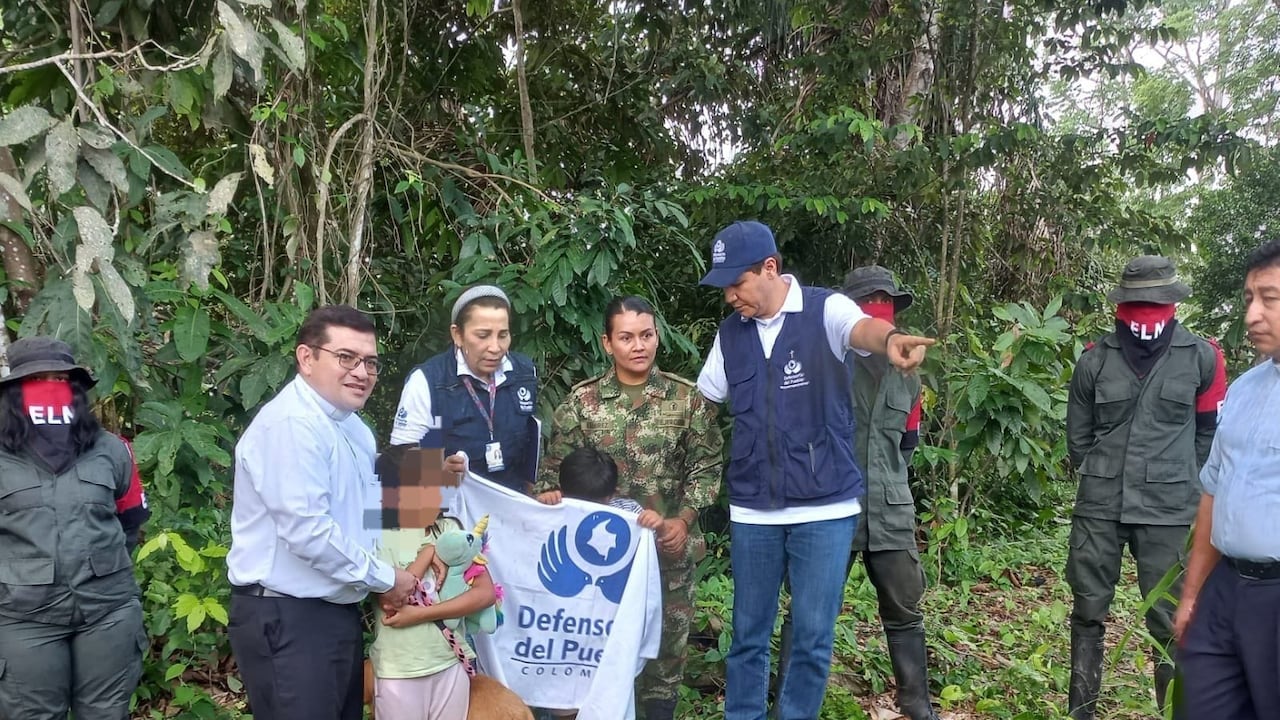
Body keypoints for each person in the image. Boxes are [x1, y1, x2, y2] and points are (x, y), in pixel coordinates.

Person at [695, 221, 934, 720]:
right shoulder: (730, 335)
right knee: (748, 634)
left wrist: (891, 339)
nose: (731, 297)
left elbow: (862, 329)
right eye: (724, 288)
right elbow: (702, 404)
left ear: (770, 268)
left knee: (811, 636)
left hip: (825, 507)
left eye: (737, 283)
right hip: (753, 508)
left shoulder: (825, 309)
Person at [534, 296, 724, 720]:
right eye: (626, 337)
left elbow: (707, 468)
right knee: (594, 658)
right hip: (596, 569)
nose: (638, 346)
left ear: (657, 337)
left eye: (646, 335)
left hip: (667, 557)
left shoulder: (686, 400)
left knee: (663, 663)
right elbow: (552, 473)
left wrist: (682, 521)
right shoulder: (582, 403)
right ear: (607, 343)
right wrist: (549, 497)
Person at [227, 305, 418, 720]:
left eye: (370, 362)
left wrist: (441, 482)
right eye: (346, 357)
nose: (361, 372)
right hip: (288, 615)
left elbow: (364, 512)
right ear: (307, 357)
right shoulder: (291, 424)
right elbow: (309, 532)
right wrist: (385, 578)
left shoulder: (354, 429)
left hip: (335, 613)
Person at [1064, 255, 1226, 719]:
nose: (1147, 312)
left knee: (1172, 621)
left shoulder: (1202, 358)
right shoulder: (1095, 360)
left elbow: (1210, 436)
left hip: (1169, 511)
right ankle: (1081, 712)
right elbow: (1079, 440)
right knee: (1088, 611)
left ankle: (1175, 712)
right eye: (1138, 303)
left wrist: (1183, 482)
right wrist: (1106, 473)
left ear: (1172, 303)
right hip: (1100, 508)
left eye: (1156, 302)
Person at [775, 266, 937, 720]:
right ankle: (786, 708)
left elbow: (907, 445)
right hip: (830, 506)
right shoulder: (823, 363)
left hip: (891, 509)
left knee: (905, 610)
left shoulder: (909, 376)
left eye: (886, 303)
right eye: (871, 303)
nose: (879, 311)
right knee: (807, 613)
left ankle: (917, 705)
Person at [0, 336, 150, 719]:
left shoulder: (111, 450)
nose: (50, 388)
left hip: (107, 610)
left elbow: (130, 522)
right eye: (37, 380)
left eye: (59, 379)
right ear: (15, 392)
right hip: (22, 616)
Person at [1174, 239, 1280, 719]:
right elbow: (1214, 492)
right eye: (1249, 299)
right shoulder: (1243, 389)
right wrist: (1192, 594)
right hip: (1225, 589)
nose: (1253, 315)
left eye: (1269, 299)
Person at [541, 445, 667, 720]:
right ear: (563, 489)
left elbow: (651, 552)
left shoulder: (629, 513)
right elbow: (523, 530)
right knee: (562, 698)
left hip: (607, 623)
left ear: (612, 494)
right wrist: (539, 506)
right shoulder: (552, 506)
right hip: (560, 624)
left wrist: (657, 525)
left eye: (597, 504)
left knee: (607, 691)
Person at [390, 285, 540, 493]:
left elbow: (530, 446)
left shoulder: (523, 373)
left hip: (512, 503)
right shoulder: (427, 381)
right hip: (452, 506)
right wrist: (436, 473)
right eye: (483, 335)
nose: (495, 347)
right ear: (457, 335)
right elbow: (399, 459)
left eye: (503, 335)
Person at [370, 513, 498, 720]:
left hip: (450, 662)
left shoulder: (450, 528)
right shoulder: (380, 532)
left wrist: (421, 614)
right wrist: (428, 552)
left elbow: (485, 593)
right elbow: (391, 600)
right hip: (400, 670)